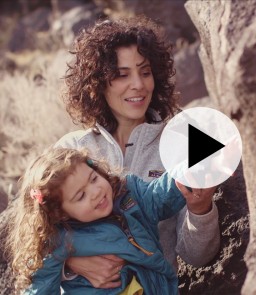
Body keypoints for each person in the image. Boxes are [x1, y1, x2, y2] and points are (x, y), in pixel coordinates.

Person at [55, 15, 220, 289]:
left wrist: (200, 209)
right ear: (97, 83)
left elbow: (196, 256)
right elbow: (34, 232)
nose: (139, 85)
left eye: (145, 72)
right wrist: (71, 263)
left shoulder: (181, 145)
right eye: (121, 75)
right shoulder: (71, 149)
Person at [6, 148, 212, 294]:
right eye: (80, 196)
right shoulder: (58, 241)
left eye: (94, 179)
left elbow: (160, 196)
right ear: (59, 213)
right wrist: (60, 262)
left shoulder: (129, 195)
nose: (95, 192)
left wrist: (189, 170)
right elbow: (39, 287)